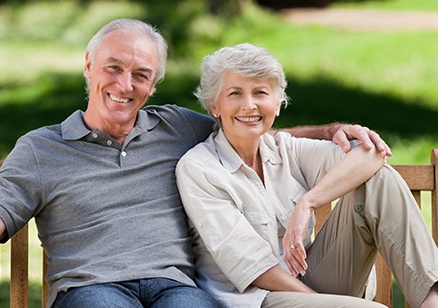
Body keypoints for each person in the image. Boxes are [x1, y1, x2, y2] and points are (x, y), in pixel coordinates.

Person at [0, 19, 390, 308]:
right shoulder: (41, 148)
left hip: (174, 287)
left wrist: (330, 130)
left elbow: (247, 127)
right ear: (89, 66)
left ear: (154, 83)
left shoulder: (174, 126)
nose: (126, 85)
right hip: (93, 288)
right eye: (114, 68)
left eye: (141, 74)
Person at [175, 43, 438, 308]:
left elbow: (371, 155)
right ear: (214, 106)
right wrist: (321, 303)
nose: (249, 105)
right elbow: (256, 270)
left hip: (309, 280)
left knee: (378, 181)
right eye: (235, 94)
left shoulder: (286, 149)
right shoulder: (199, 169)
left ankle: (431, 299)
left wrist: (307, 202)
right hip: (257, 299)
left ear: (277, 105)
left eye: (260, 92)